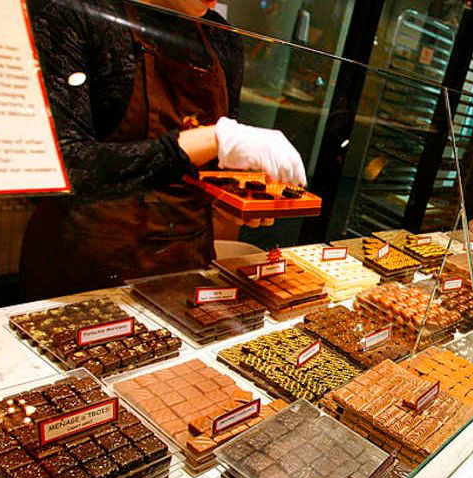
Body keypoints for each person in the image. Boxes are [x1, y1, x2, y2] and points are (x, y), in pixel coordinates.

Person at [21, 0, 305, 298]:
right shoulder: (77, 11)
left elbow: (212, 165)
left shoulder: (221, 37)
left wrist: (237, 195)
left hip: (186, 261)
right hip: (89, 267)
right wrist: (214, 140)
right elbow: (66, 165)